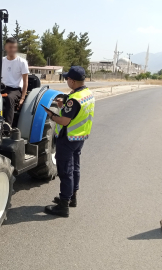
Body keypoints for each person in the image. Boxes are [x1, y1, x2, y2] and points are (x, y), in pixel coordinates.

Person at [43, 66, 95, 217]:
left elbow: (64, 121)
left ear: (72, 81)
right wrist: (64, 103)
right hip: (80, 137)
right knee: (75, 168)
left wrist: (51, 115)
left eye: (67, 79)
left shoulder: (74, 100)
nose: (66, 81)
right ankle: (72, 198)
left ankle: (63, 206)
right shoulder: (87, 94)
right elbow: (77, 111)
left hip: (68, 139)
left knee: (65, 171)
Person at [0, 37, 29, 127]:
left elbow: (25, 82)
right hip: (1, 88)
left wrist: (22, 98)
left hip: (15, 90)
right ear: (5, 47)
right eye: (10, 47)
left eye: (14, 47)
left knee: (9, 98)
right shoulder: (1, 61)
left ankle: (7, 127)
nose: (12, 50)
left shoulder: (22, 62)